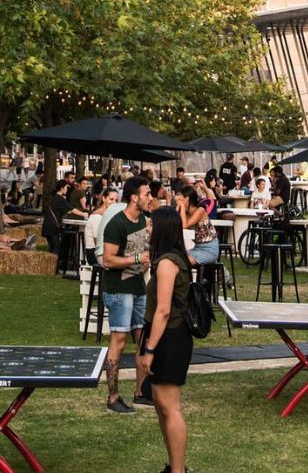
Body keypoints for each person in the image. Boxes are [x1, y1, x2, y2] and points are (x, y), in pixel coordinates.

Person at [139, 208, 193, 473]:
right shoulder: (166, 259)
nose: (147, 229)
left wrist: (149, 349)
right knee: (160, 404)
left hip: (170, 337)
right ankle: (174, 466)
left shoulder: (168, 263)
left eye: (150, 225)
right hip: (164, 335)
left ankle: (179, 470)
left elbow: (163, 310)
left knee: (169, 406)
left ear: (162, 229)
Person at [99, 179, 153, 414]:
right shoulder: (116, 224)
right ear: (134, 197)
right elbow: (108, 260)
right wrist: (136, 260)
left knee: (142, 337)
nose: (150, 197)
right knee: (119, 341)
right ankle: (113, 397)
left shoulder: (142, 220)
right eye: (146, 194)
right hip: (119, 289)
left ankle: (140, 392)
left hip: (138, 286)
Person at [178, 188, 219, 265]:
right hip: (196, 248)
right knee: (176, 257)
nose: (179, 200)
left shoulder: (200, 211)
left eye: (181, 198)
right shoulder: (186, 214)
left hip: (209, 250)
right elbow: (175, 223)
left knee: (184, 261)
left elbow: (184, 225)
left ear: (187, 199)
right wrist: (178, 207)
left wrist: (182, 206)